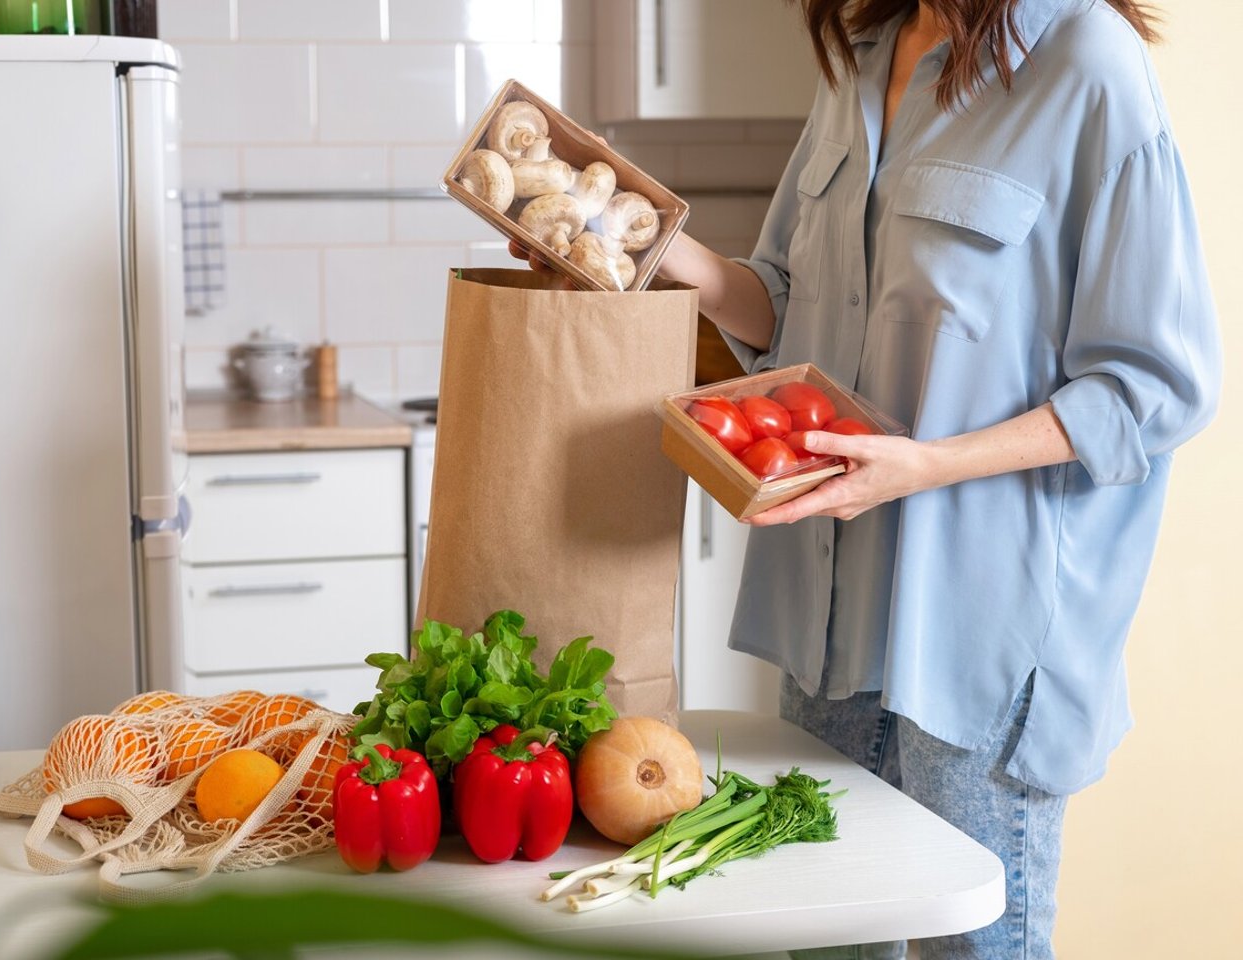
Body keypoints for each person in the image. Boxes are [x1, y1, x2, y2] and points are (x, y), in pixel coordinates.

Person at [514, 0, 1220, 957]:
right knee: (828, 936)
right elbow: (788, 301)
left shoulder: (1087, 60)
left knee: (974, 945)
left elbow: (1156, 383)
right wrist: (641, 241)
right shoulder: (863, 59)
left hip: (980, 624)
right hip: (831, 609)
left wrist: (928, 467)